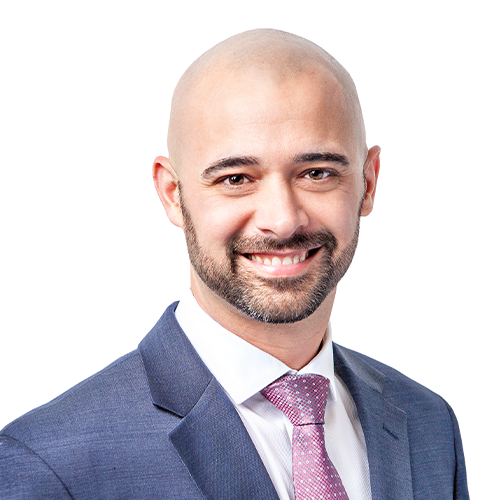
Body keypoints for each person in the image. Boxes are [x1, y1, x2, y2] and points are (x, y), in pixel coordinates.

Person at [0, 29, 468, 499]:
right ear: (173, 194)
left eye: (317, 173)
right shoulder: (49, 465)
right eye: (236, 179)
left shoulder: (428, 425)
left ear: (368, 182)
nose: (282, 220)